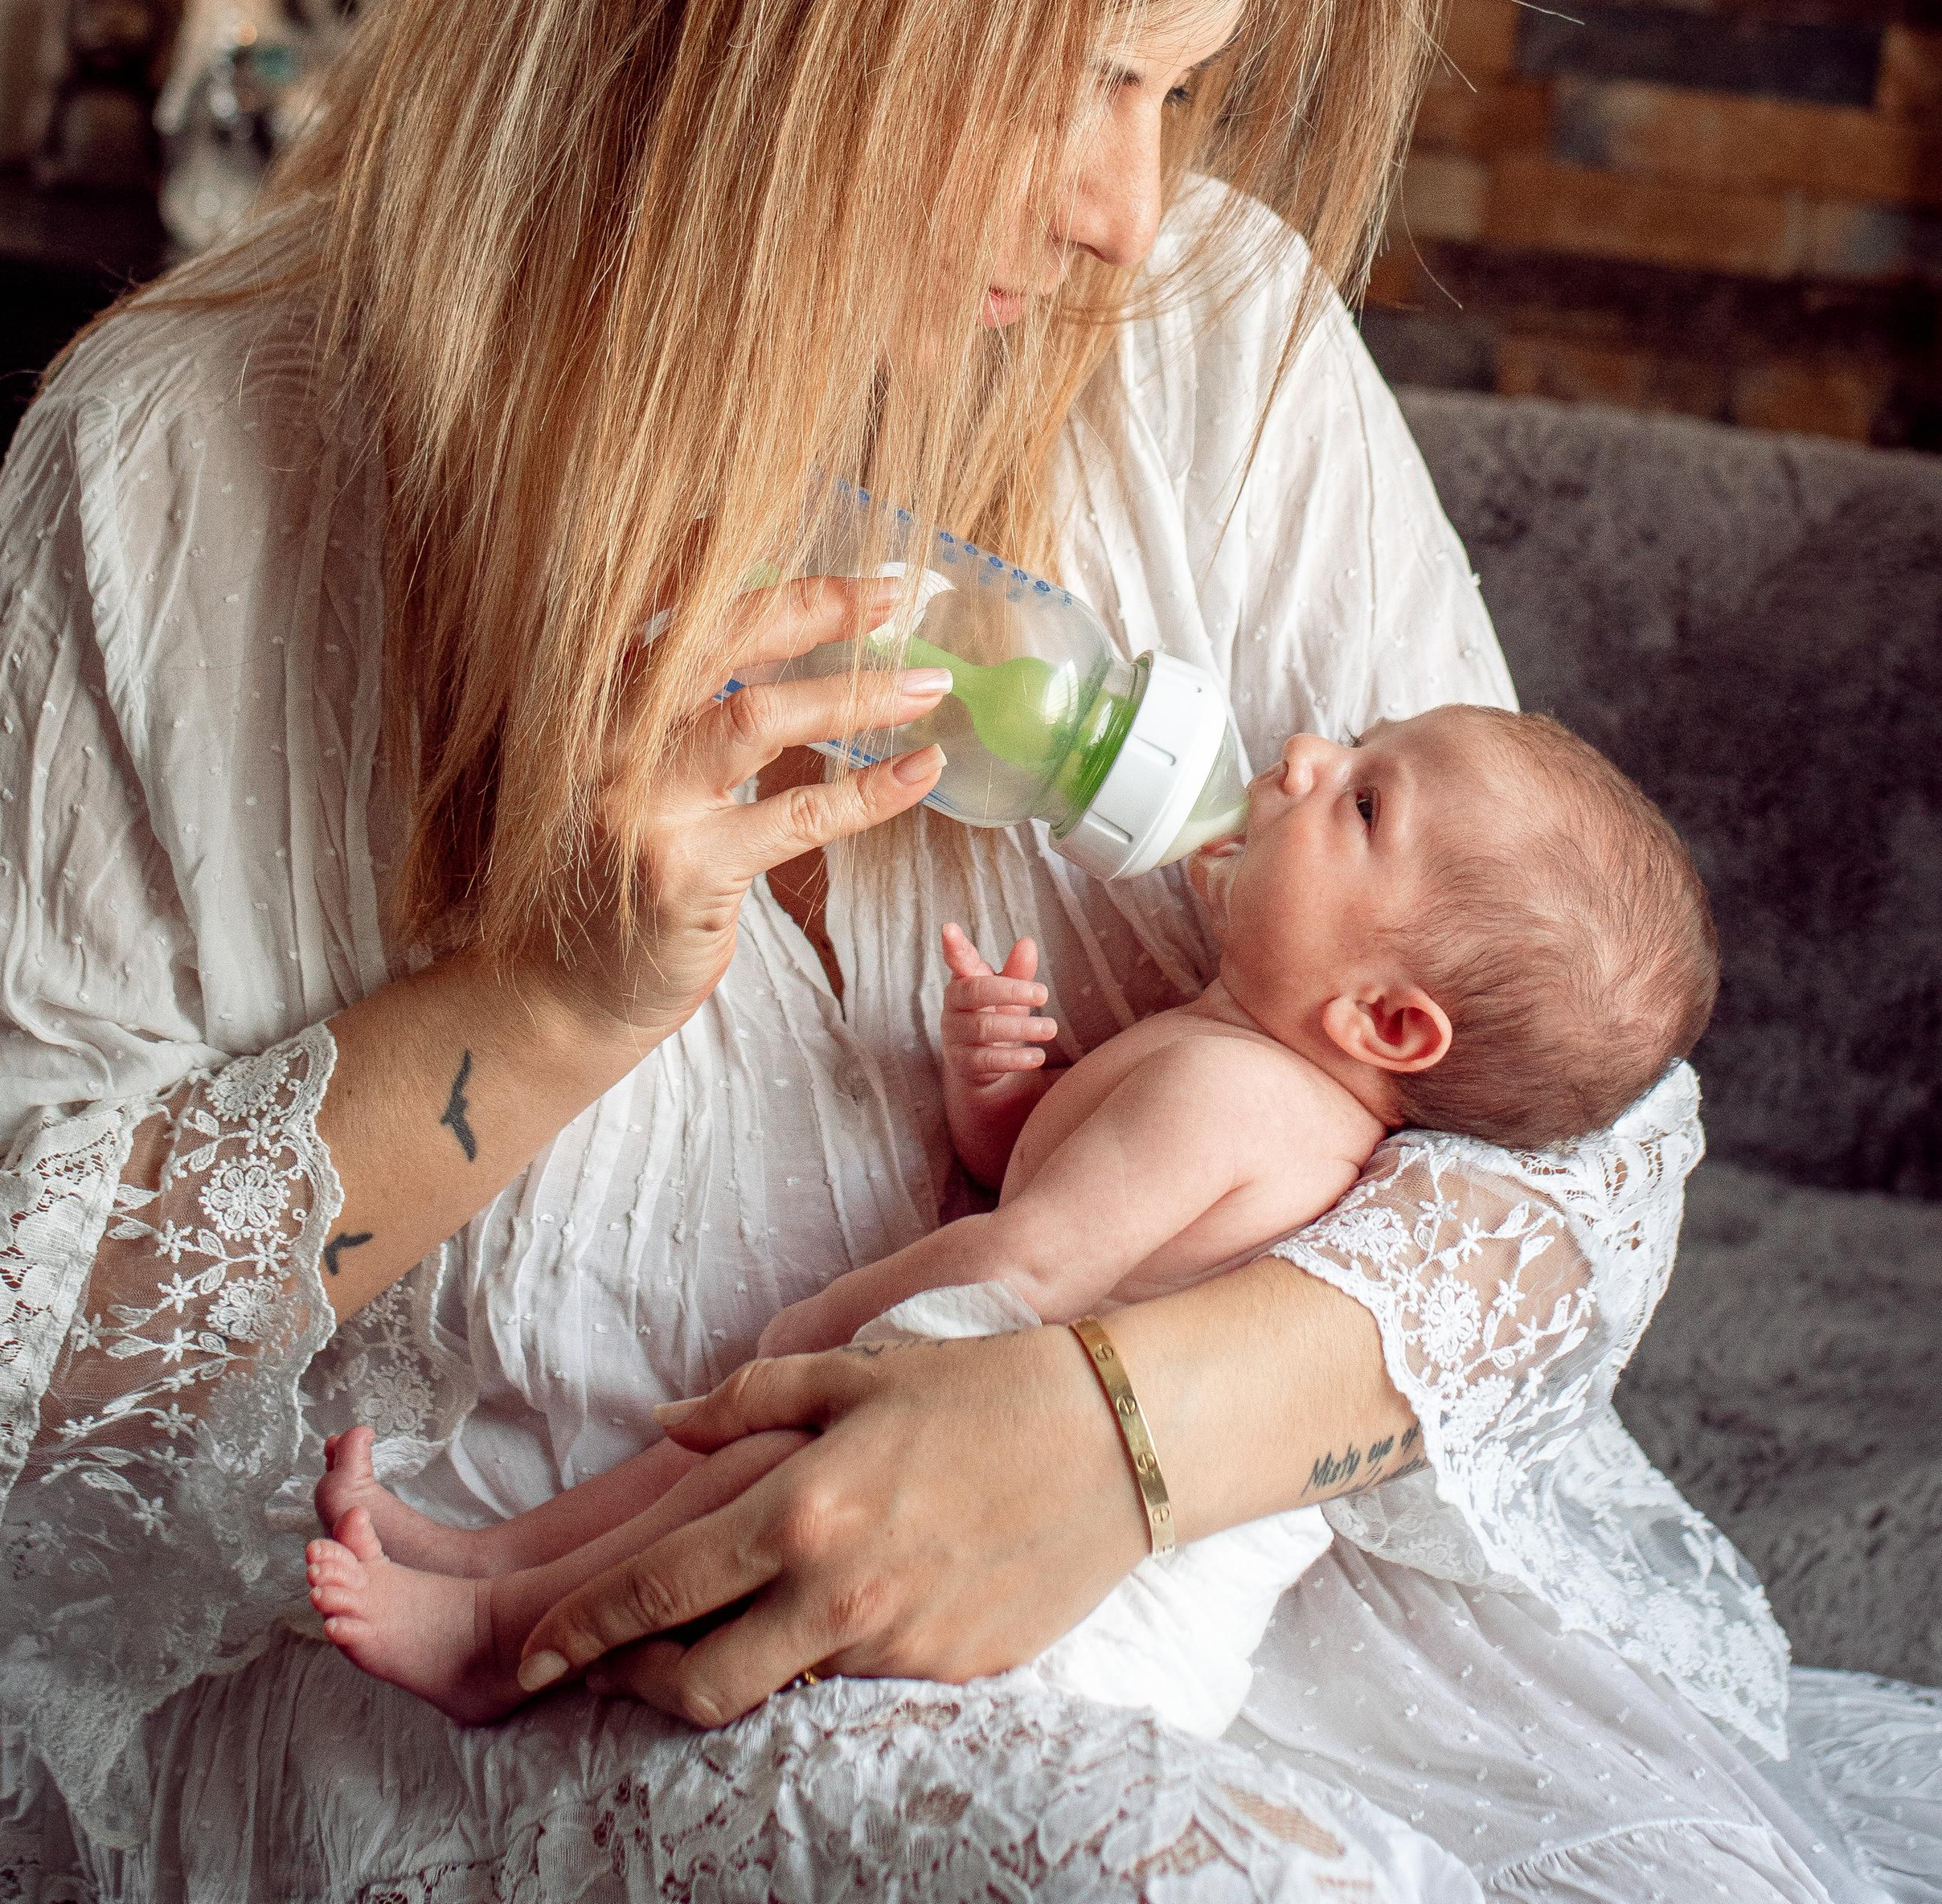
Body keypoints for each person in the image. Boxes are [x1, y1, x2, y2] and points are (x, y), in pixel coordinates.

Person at [0, 0, 1932, 1904]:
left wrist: (1113, 1433)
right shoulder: (185, 475)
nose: (1127, 207)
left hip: (1169, 1595)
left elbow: (1582, 1136)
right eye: (1077, 75)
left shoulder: (1208, 347)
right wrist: (548, 1007)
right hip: (517, 1663)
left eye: (1179, 91)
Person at [301, 703, 1719, 1742]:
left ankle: (501, 1638)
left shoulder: (1237, 1099)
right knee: (728, 1458)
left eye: (1360, 802)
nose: (1303, 757)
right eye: (1356, 744)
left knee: (743, 1458)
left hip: (1027, 1486)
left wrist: (829, 1321)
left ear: (1388, 1021)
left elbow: (1027, 1259)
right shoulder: (1233, 1061)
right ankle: (492, 1558)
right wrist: (1005, 1086)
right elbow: (1040, 1183)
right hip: (1018, 1380)